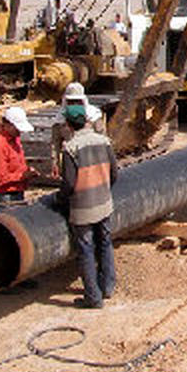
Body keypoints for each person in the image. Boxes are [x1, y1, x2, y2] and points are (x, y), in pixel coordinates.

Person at [58, 105, 118, 309]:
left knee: (85, 249)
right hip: (104, 202)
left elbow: (68, 182)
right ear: (85, 121)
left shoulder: (70, 147)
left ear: (68, 125)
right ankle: (108, 287)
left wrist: (60, 201)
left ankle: (93, 297)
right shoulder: (104, 141)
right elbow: (114, 174)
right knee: (105, 243)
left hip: (83, 207)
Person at [0, 106, 37, 211]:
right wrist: (22, 176)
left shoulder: (15, 140)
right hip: (5, 197)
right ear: (7, 125)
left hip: (16, 194)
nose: (20, 131)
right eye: (17, 128)